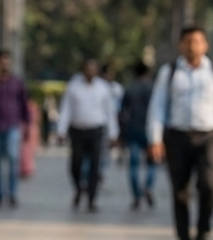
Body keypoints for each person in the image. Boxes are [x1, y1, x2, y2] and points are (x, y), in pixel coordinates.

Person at [147, 26, 213, 240]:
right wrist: (155, 139)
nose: (192, 46)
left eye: (197, 41)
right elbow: (157, 106)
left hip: (208, 136)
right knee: (180, 192)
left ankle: (204, 232)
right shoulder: (169, 73)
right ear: (181, 45)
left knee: (209, 187)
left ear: (205, 45)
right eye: (188, 41)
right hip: (177, 137)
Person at [57, 58, 120, 211]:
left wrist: (113, 133)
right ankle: (79, 188)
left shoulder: (103, 88)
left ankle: (91, 199)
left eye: (93, 69)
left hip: (96, 131)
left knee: (95, 166)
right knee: (76, 164)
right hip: (77, 130)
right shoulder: (74, 87)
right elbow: (66, 110)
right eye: (87, 69)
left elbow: (109, 112)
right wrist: (61, 130)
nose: (90, 72)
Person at [0, 50, 29, 207]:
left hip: (12, 126)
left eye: (7, 61)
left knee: (13, 160)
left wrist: (26, 124)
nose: (4, 64)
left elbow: (24, 104)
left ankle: (12, 193)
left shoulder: (17, 81)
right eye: (1, 61)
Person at [120, 61, 157, 209]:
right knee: (152, 164)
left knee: (134, 165)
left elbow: (122, 113)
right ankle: (148, 186)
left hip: (133, 129)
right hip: (151, 130)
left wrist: (121, 133)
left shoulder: (130, 89)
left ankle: (136, 196)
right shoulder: (154, 88)